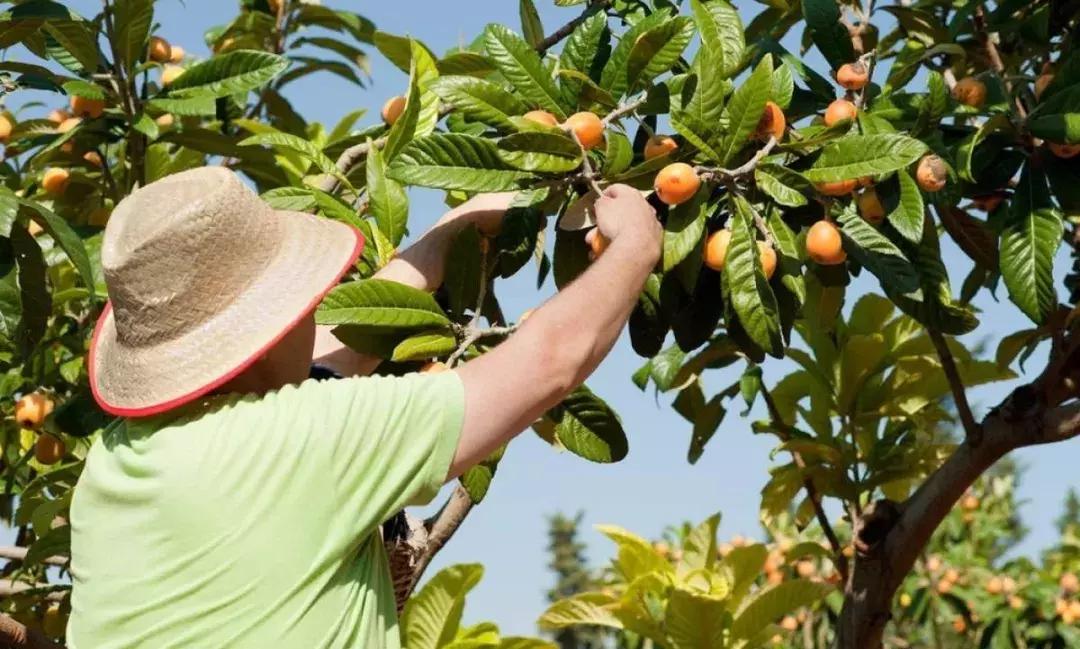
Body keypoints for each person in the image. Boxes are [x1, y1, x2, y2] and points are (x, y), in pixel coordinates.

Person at [68, 166, 660, 648]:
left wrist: (451, 229)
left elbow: (328, 354)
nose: (314, 308)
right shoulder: (306, 443)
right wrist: (634, 246)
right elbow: (550, 361)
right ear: (271, 322)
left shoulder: (113, 465)